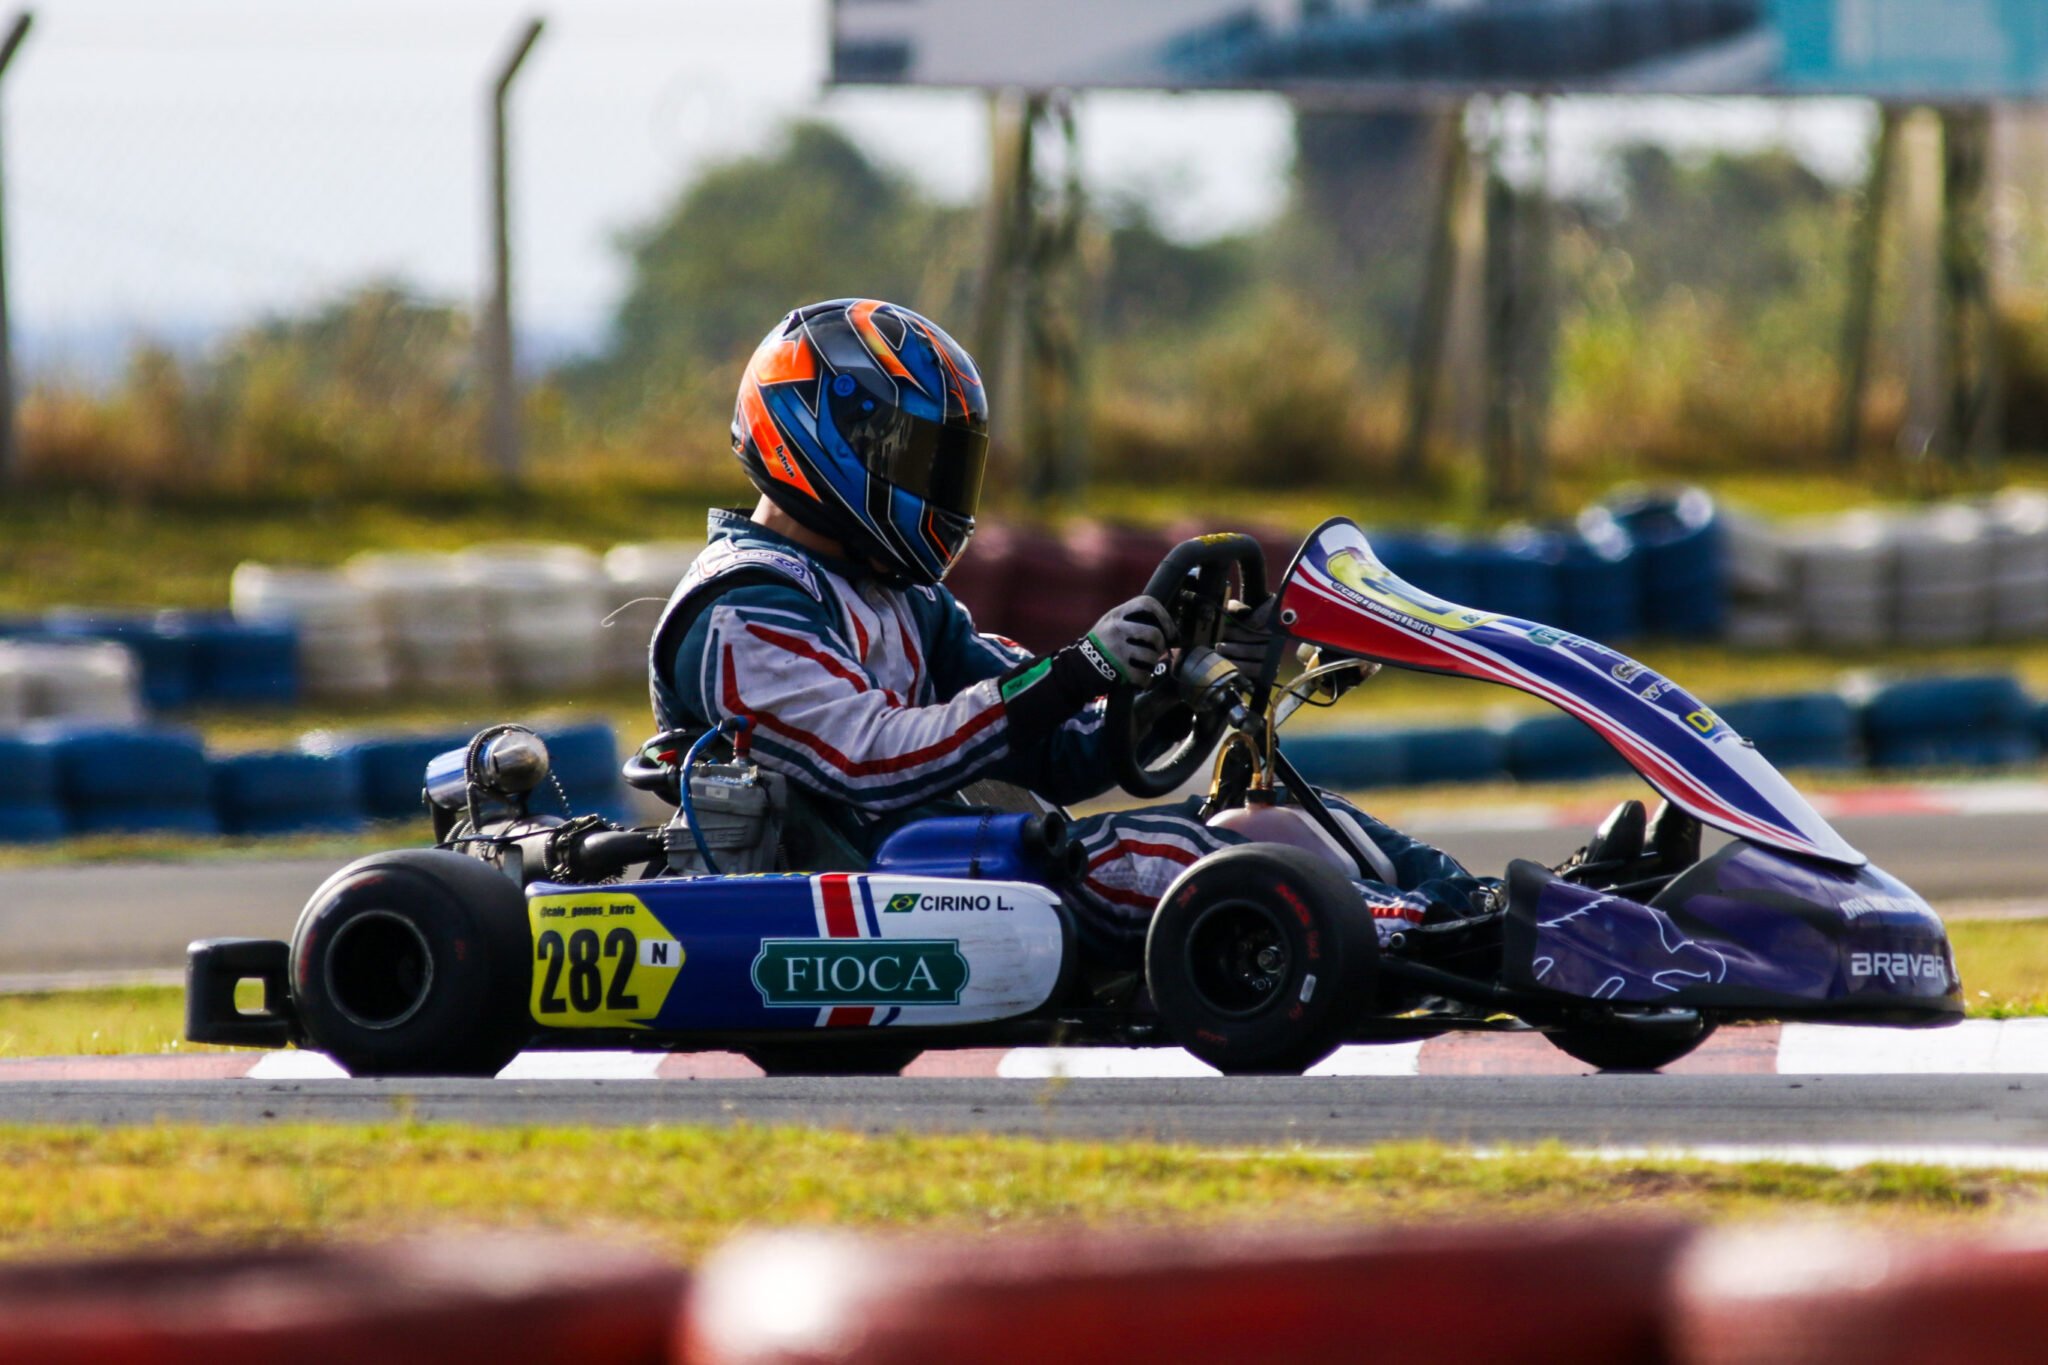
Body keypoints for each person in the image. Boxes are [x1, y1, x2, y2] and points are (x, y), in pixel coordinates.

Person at [650, 298, 1494, 968]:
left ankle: (1495, 910)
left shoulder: (897, 597)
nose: (941, 490)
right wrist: (1071, 672)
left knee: (1285, 824)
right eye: (918, 459)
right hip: (867, 881)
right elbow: (871, 759)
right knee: (1181, 860)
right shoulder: (743, 607)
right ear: (826, 439)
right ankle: (1441, 943)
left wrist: (1164, 692)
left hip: (958, 860)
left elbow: (1057, 752)